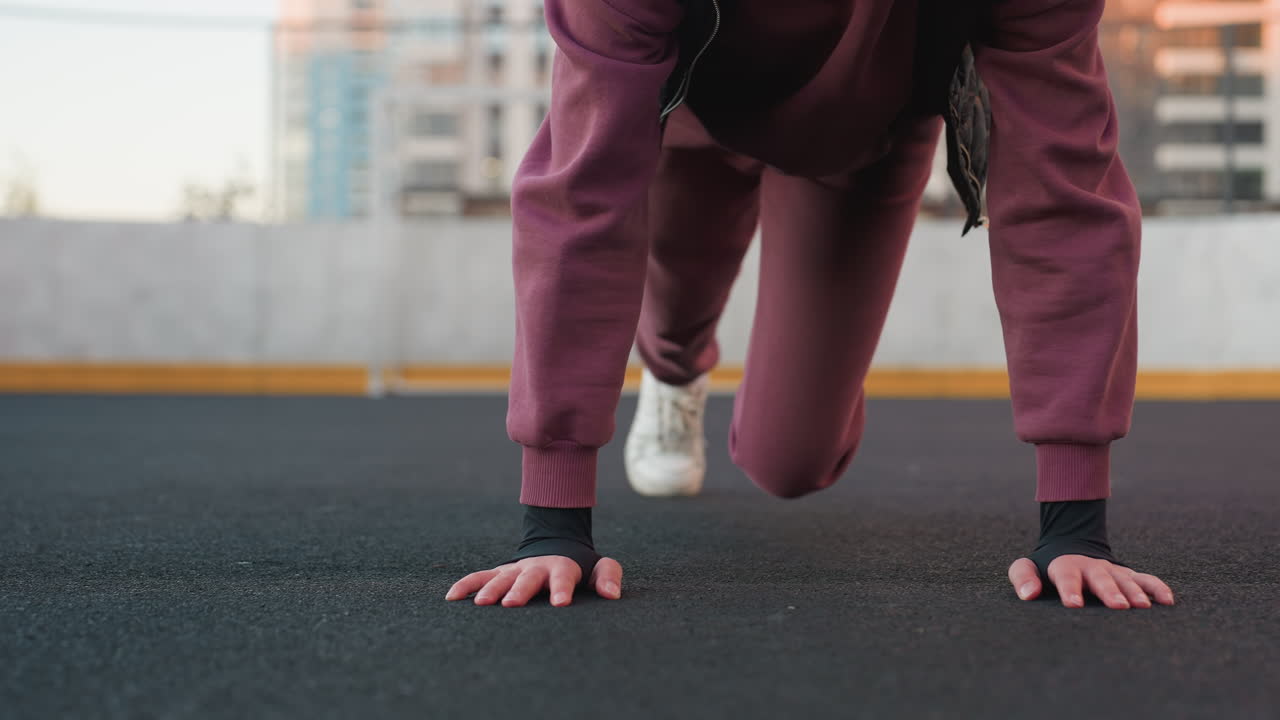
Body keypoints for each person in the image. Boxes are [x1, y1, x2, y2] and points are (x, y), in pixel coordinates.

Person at [445, 0, 1175, 611]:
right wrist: (554, 526)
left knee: (790, 461)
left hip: (860, 142)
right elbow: (579, 195)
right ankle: (673, 369)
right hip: (689, 119)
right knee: (670, 308)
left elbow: (1064, 192)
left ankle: (710, 363)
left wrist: (1075, 527)